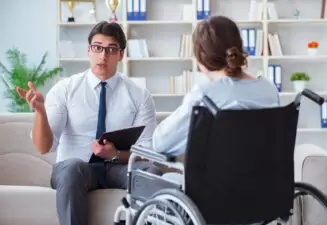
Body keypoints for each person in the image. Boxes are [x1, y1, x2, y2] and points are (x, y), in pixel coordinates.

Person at [16, 21, 158, 225]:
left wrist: (116, 154)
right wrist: (40, 111)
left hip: (117, 169)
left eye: (111, 49)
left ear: (121, 55)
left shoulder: (140, 96)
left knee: (152, 174)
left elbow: (146, 155)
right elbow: (43, 146)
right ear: (88, 50)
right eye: (97, 48)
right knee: (74, 167)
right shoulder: (65, 89)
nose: (103, 56)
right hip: (76, 169)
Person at [152, 15, 280, 159]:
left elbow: (160, 143)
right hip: (265, 180)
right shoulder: (269, 89)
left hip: (215, 181)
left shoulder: (204, 95)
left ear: (200, 57)